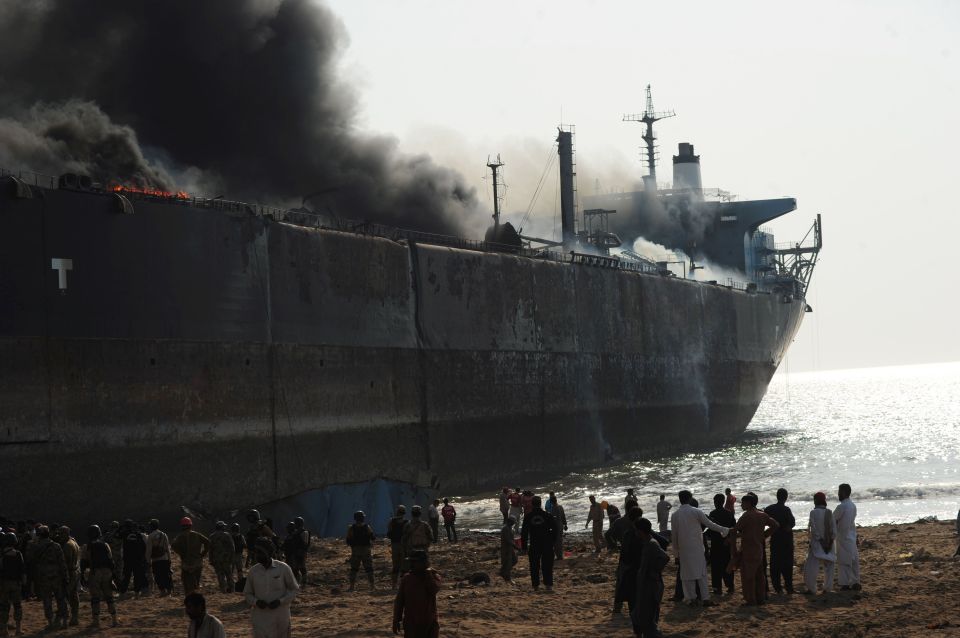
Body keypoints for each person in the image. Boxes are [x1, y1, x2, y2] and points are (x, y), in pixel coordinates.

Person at [670, 490, 730, 606]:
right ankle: (705, 598)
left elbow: (674, 536)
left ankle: (691, 599)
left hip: (684, 550)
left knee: (687, 576)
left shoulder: (675, 515)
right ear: (690, 499)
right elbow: (710, 524)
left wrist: (676, 554)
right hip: (697, 548)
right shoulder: (696, 511)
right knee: (701, 574)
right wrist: (725, 530)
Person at [244, 539, 299, 638]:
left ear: (268, 553)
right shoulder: (253, 571)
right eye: (256, 552)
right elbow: (247, 594)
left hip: (281, 617)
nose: (257, 555)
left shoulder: (283, 568)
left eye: (260, 552)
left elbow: (294, 589)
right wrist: (256, 602)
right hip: (260, 619)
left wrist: (280, 601)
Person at [732, 493, 779, 605]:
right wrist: (764, 535)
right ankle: (761, 598)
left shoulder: (746, 516)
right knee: (759, 575)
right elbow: (775, 525)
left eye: (743, 503)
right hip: (758, 547)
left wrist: (733, 548)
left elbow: (734, 530)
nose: (741, 505)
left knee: (749, 576)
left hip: (748, 548)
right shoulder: (762, 514)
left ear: (748, 503)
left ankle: (751, 600)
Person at [631, 517, 670, 638]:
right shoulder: (647, 543)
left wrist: (653, 572)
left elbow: (665, 558)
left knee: (649, 620)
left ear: (641, 531)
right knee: (638, 615)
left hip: (651, 587)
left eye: (636, 530)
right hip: (645, 585)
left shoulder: (652, 544)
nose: (635, 533)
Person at [392, 550, 441, 637]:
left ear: (424, 563)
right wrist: (396, 619)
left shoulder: (433, 577)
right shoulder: (407, 579)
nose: (411, 565)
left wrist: (428, 573)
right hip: (411, 622)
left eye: (415, 562)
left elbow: (434, 589)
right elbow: (399, 600)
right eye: (411, 562)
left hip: (429, 621)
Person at [27, 525, 67, 630]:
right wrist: (65, 577)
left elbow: (30, 559)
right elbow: (62, 563)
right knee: (61, 599)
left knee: (47, 600)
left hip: (43, 577)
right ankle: (64, 622)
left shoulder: (35, 546)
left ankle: (50, 623)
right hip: (56, 576)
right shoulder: (56, 546)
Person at [81, 525, 118, 628]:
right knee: (109, 596)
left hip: (95, 572)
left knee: (95, 598)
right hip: (107, 572)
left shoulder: (86, 546)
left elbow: (83, 563)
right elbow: (111, 561)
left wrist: (82, 577)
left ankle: (96, 621)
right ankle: (114, 619)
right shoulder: (105, 545)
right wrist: (113, 577)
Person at [521, 496, 557, 591]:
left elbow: (524, 533)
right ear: (540, 504)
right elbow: (555, 529)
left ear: (532, 504)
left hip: (534, 543)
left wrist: (524, 547)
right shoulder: (547, 515)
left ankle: (535, 586)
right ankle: (548, 585)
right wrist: (552, 541)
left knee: (534, 565)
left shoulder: (528, 517)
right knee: (547, 565)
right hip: (546, 543)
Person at [764, 488, 796, 594]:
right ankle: (788, 587)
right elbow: (792, 524)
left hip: (775, 538)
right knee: (787, 564)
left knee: (775, 564)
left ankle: (777, 587)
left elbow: (764, 520)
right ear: (786, 497)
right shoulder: (787, 510)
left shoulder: (769, 509)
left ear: (777, 497)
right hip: (786, 539)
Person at [803, 492, 837, 594]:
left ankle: (812, 589)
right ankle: (827, 588)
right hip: (829, 543)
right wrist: (830, 542)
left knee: (811, 567)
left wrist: (821, 542)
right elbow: (834, 530)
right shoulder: (829, 512)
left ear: (816, 501)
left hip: (817, 544)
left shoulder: (813, 513)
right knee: (829, 567)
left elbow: (813, 529)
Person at [613, 507, 645, 614]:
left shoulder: (621, 525)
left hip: (624, 561)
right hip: (636, 562)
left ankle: (617, 608)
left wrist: (614, 545)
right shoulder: (641, 530)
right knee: (636, 587)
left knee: (621, 585)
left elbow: (608, 534)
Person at [171, 517, 210, 594]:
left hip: (186, 563)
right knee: (196, 582)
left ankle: (188, 597)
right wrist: (203, 553)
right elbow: (208, 542)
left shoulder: (180, 536)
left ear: (182, 526)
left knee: (186, 582)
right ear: (190, 525)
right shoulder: (197, 535)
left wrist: (181, 553)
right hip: (197, 562)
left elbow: (173, 545)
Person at [707, 494, 735, 595]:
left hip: (716, 543)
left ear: (715, 502)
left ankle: (717, 588)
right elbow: (733, 528)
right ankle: (730, 586)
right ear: (723, 502)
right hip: (726, 543)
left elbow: (710, 529)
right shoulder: (729, 513)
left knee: (716, 567)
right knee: (727, 565)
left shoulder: (712, 513)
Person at [834, 483, 861, 590]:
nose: (838, 494)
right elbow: (852, 523)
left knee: (844, 562)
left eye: (839, 492)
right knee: (853, 560)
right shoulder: (852, 505)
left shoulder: (841, 507)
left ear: (844, 493)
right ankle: (855, 582)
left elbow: (832, 520)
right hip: (851, 535)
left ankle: (845, 584)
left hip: (843, 536)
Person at [54, 526, 80, 626]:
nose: (59, 536)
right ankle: (75, 617)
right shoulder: (74, 542)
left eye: (60, 534)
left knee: (63, 596)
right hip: (76, 571)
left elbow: (65, 562)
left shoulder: (67, 546)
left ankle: (60, 620)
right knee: (74, 596)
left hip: (69, 573)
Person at [1, 531, 26, 637]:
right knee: (17, 606)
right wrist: (24, 584)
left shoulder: (1, 555)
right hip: (16, 584)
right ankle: (18, 629)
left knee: (3, 607)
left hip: (3, 584)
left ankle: (4, 629)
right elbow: (23, 570)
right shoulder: (18, 554)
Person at [345, 511, 376, 592]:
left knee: (354, 569)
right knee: (369, 569)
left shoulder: (351, 528)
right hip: (366, 550)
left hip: (356, 550)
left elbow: (348, 540)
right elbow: (373, 537)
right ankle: (372, 586)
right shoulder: (367, 527)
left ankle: (351, 587)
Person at [119, 520, 148, 597]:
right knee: (137, 576)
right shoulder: (138, 534)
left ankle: (122, 592)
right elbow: (143, 547)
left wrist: (120, 528)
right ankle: (137, 592)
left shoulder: (124, 534)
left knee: (126, 576)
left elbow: (116, 535)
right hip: (137, 559)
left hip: (127, 559)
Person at [145, 518, 173, 596]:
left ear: (151, 526)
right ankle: (169, 591)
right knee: (166, 575)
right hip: (165, 558)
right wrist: (169, 559)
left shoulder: (150, 536)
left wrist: (148, 561)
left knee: (158, 575)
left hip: (155, 559)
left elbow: (149, 550)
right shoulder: (164, 534)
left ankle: (162, 591)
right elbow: (167, 548)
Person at [209, 521, 236, 594]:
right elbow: (232, 548)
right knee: (229, 575)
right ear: (222, 527)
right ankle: (232, 591)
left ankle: (223, 590)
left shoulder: (212, 536)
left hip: (216, 560)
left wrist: (210, 559)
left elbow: (210, 549)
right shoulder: (227, 535)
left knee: (220, 576)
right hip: (226, 559)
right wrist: (232, 558)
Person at [387, 506, 409, 589]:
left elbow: (389, 533)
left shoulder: (391, 521)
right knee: (404, 566)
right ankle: (403, 584)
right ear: (404, 513)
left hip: (395, 544)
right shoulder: (407, 522)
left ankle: (394, 584)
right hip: (403, 545)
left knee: (395, 565)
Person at [281, 522, 307, 587]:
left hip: (294, 555)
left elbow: (300, 545)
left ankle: (298, 582)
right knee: (290, 569)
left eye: (289, 528)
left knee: (295, 569)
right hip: (289, 555)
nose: (287, 530)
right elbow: (284, 545)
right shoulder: (289, 536)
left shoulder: (296, 536)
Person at [549, 494, 567, 560]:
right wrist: (565, 524)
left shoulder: (553, 508)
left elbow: (553, 519)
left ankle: (559, 556)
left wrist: (550, 527)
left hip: (556, 526)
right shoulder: (560, 507)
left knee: (556, 542)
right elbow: (563, 516)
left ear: (551, 501)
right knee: (560, 540)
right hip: (561, 525)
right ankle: (560, 555)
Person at [293, 517, 311, 584]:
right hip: (296, 551)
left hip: (301, 552)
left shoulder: (304, 532)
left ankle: (304, 580)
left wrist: (301, 551)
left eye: (296, 523)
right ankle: (296, 581)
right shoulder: (296, 532)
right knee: (296, 567)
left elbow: (305, 544)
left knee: (302, 566)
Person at [499, 517, 517, 583]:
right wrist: (516, 546)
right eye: (513, 522)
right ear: (509, 522)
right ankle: (508, 578)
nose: (514, 523)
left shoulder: (510, 528)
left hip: (510, 548)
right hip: (506, 548)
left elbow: (511, 539)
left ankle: (503, 571)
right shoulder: (505, 529)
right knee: (508, 563)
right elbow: (508, 540)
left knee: (514, 560)